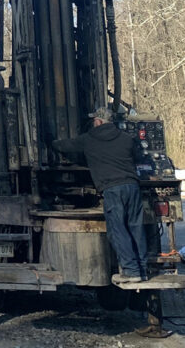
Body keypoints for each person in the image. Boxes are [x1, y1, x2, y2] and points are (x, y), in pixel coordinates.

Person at [53, 107, 148, 284]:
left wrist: (50, 142)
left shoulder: (89, 140)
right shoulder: (126, 139)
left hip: (112, 189)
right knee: (136, 227)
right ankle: (142, 269)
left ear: (98, 121)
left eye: (94, 120)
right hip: (132, 187)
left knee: (118, 229)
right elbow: (138, 156)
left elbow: (66, 145)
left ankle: (131, 270)